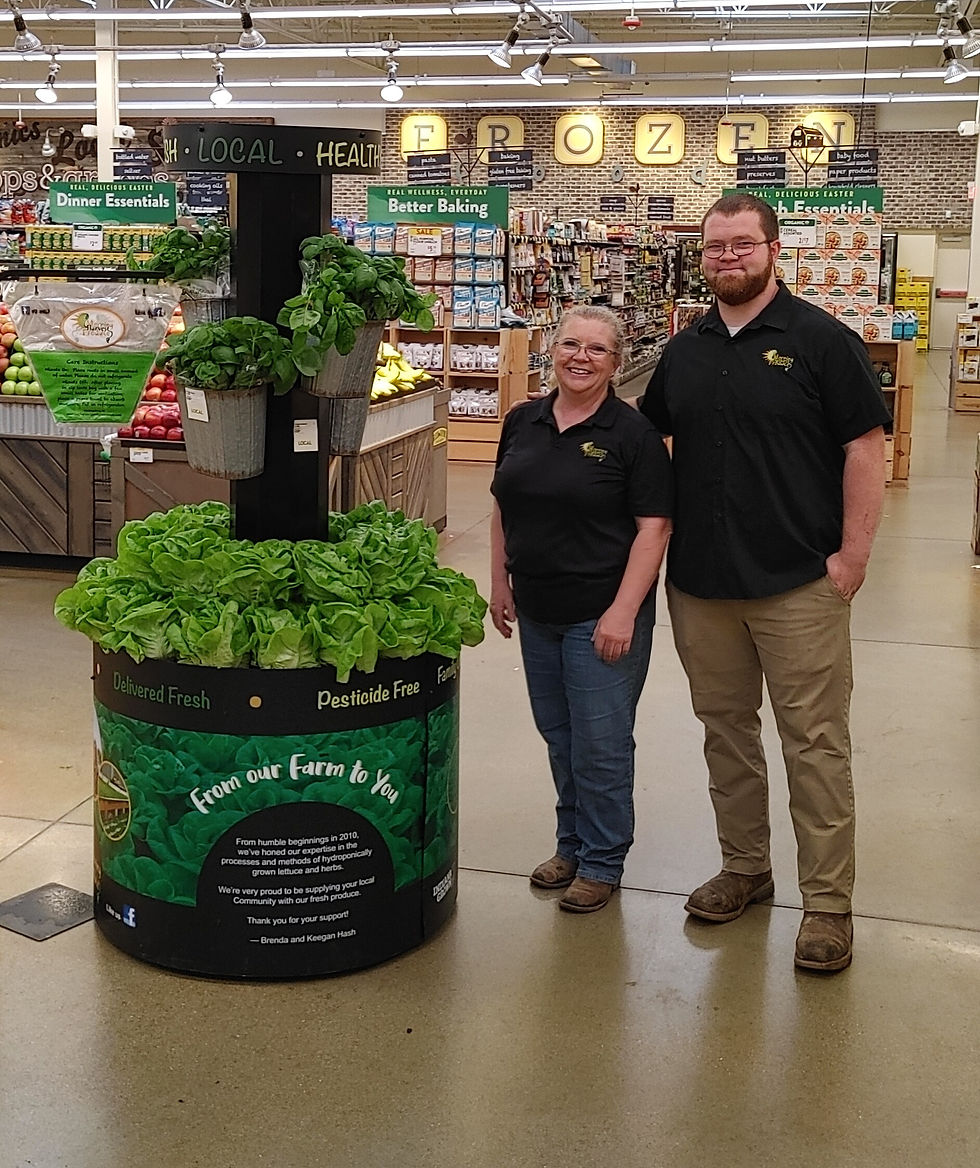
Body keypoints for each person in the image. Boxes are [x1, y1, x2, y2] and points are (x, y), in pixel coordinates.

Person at [640, 193, 891, 972]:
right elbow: (647, 445)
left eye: (742, 245)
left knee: (814, 743)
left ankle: (828, 905)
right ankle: (745, 866)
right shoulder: (685, 349)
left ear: (773, 250)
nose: (728, 259)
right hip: (702, 587)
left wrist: (853, 557)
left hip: (797, 584)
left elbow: (864, 448)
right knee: (727, 735)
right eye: (715, 248)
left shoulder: (822, 341)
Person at [490, 305, 673, 914]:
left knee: (601, 742)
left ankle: (601, 861)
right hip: (538, 610)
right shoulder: (522, 421)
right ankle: (570, 844)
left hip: (601, 612)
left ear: (617, 362)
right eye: (570, 344)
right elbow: (503, 507)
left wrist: (624, 610)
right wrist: (500, 581)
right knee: (559, 735)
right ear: (551, 349)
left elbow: (654, 528)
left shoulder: (632, 434)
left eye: (597, 350)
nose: (580, 357)